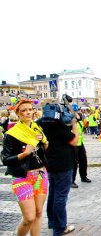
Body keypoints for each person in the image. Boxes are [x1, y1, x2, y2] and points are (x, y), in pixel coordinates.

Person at [1, 99, 49, 236]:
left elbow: (45, 149)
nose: (28, 112)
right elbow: (5, 159)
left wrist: (44, 142)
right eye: (24, 110)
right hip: (22, 177)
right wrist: (25, 154)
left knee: (39, 212)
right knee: (29, 218)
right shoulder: (11, 134)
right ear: (18, 113)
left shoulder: (37, 128)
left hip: (41, 174)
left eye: (30, 109)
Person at [36, 104, 79, 236]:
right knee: (60, 196)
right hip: (63, 164)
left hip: (49, 163)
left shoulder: (39, 123)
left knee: (54, 193)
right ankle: (59, 228)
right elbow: (74, 141)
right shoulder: (58, 124)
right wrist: (75, 126)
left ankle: (52, 221)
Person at [71, 112, 91, 188]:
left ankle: (83, 177)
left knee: (83, 161)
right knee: (74, 164)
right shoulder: (71, 123)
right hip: (74, 145)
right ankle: (72, 181)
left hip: (80, 144)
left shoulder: (81, 122)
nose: (79, 116)